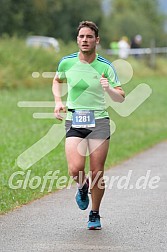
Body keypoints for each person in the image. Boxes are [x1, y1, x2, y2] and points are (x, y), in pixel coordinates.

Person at [52, 21, 125, 230]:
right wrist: (58, 101)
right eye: (81, 37)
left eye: (89, 37)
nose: (85, 40)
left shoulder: (105, 66)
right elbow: (57, 80)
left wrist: (108, 89)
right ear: (77, 40)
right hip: (75, 119)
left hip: (99, 121)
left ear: (97, 40)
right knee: (75, 169)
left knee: (97, 172)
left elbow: (120, 97)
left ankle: (95, 213)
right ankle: (83, 187)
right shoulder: (66, 63)